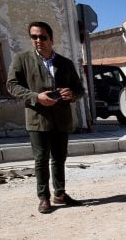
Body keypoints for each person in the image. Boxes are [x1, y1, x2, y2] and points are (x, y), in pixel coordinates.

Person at [6, 21, 85, 214]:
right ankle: (44, 198)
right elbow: (12, 85)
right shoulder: (22, 59)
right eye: (34, 37)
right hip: (37, 118)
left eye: (42, 37)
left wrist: (71, 94)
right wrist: (35, 97)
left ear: (51, 39)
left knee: (59, 158)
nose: (38, 41)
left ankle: (60, 193)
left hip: (61, 118)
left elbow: (80, 90)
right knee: (41, 159)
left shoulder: (65, 63)